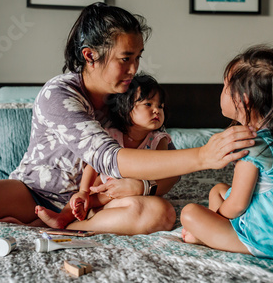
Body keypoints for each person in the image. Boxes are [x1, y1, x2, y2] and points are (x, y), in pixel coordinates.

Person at [0, 2, 256, 282]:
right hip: (33, 193)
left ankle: (60, 232)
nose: (135, 69)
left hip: (95, 206)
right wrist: (204, 155)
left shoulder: (131, 97)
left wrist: (144, 185)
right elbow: (108, 157)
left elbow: (160, 151)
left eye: (138, 58)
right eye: (125, 58)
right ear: (90, 55)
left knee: (158, 212)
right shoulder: (60, 94)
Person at [180, 45, 273, 259]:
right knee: (217, 189)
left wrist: (213, 218)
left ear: (243, 99)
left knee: (189, 213)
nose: (222, 91)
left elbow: (237, 205)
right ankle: (215, 232)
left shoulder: (250, 146)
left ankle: (221, 239)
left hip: (268, 236)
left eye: (225, 86)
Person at [37, 73, 173, 228]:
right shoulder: (112, 134)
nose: (157, 110)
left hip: (137, 191)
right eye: (148, 104)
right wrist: (83, 191)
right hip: (102, 190)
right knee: (83, 200)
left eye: (160, 106)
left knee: (153, 206)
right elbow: (93, 165)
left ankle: (70, 223)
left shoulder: (159, 139)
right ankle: (61, 217)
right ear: (125, 108)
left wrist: (140, 185)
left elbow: (163, 170)